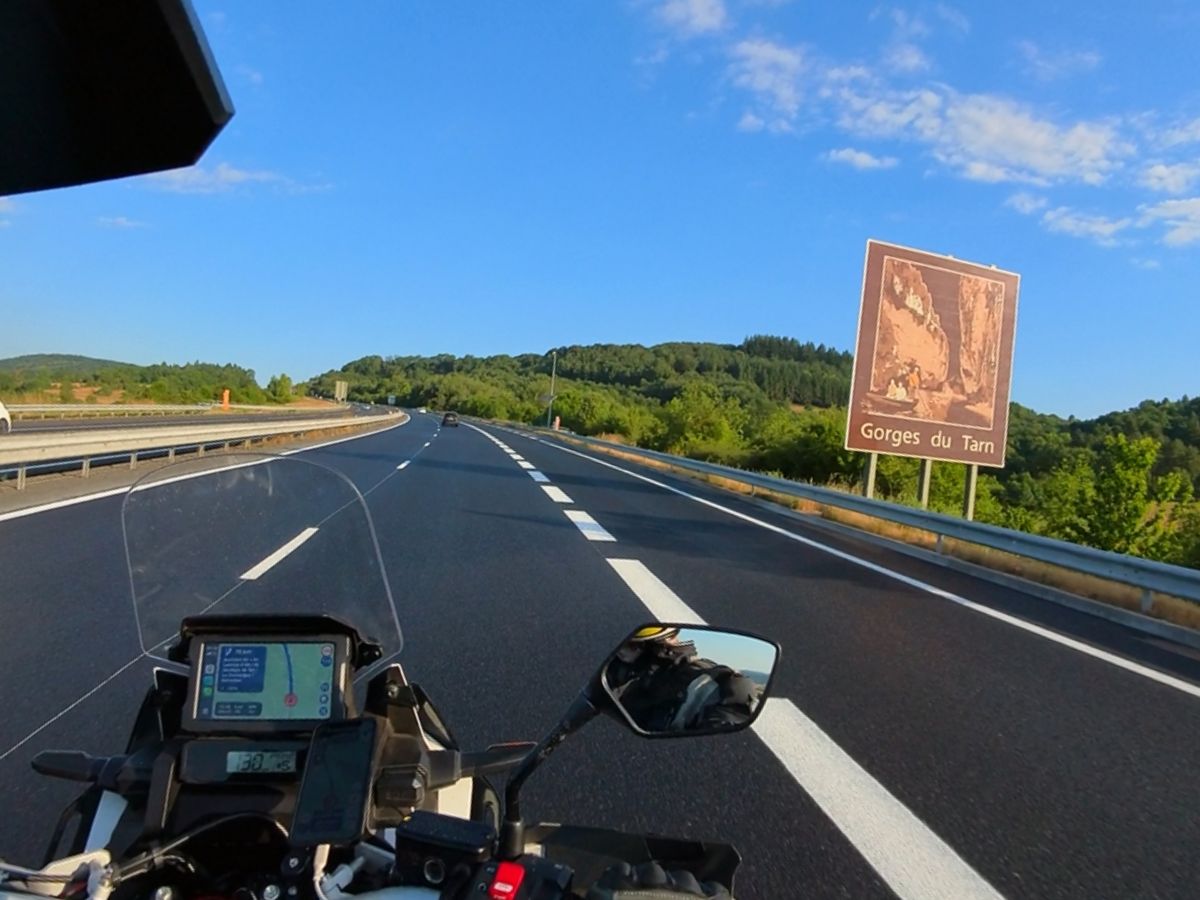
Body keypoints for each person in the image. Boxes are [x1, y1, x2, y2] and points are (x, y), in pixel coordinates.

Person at [605, 627, 759, 733]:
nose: (620, 652)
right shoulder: (620, 670)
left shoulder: (714, 685)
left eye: (632, 645)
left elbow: (720, 737)